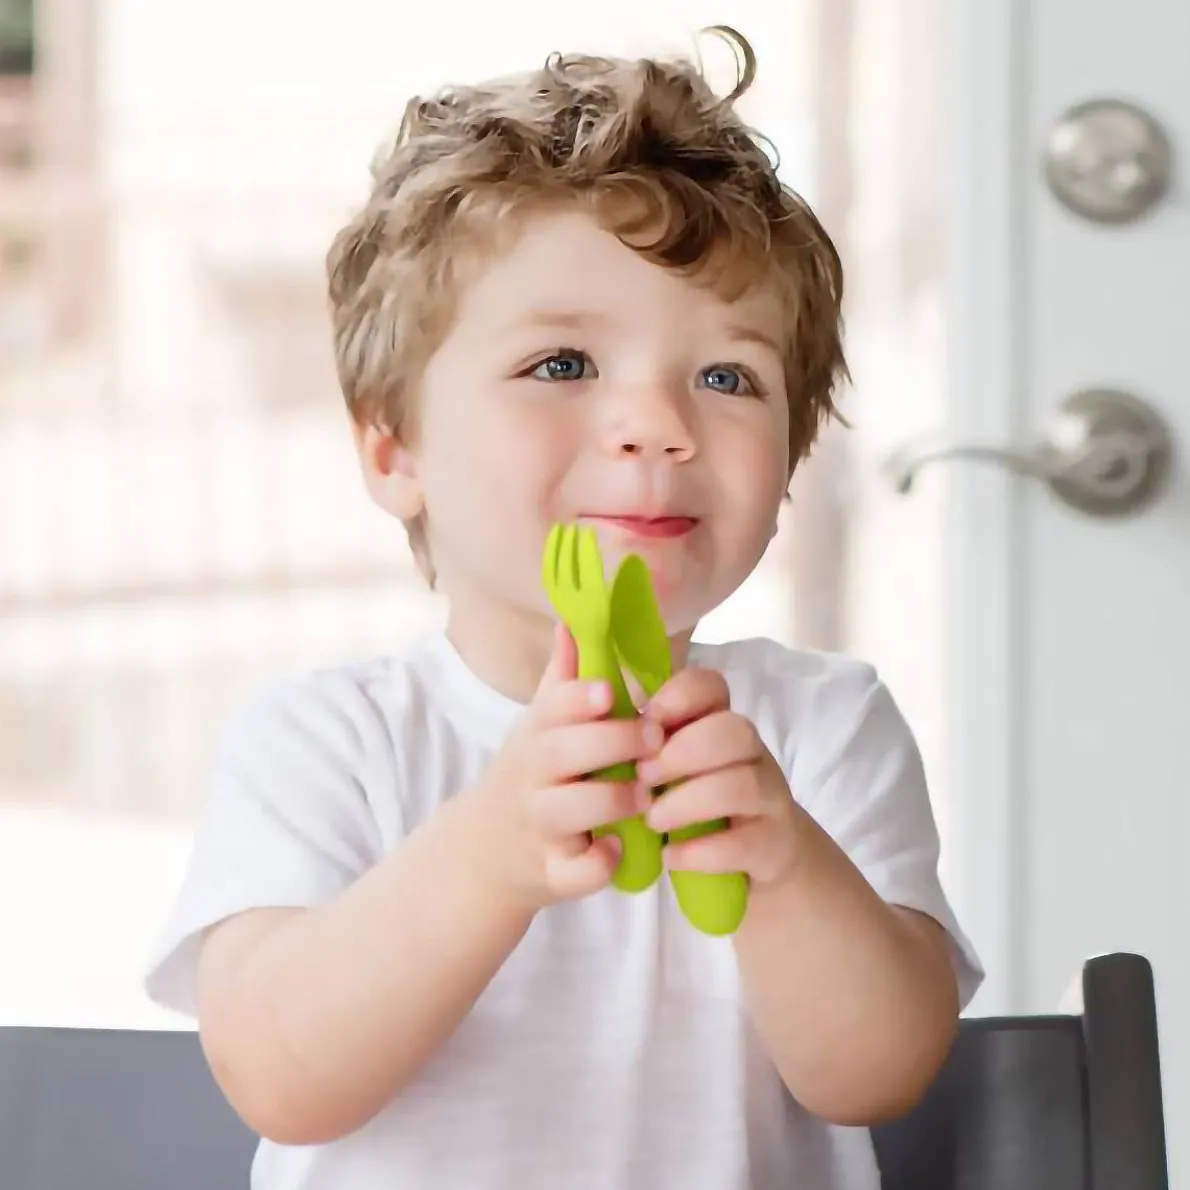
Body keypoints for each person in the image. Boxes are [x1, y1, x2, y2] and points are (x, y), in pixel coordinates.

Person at [145, 28, 981, 1190]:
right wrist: (489, 852)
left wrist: (784, 864)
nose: (658, 425)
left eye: (727, 376)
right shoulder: (325, 742)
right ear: (394, 450)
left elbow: (878, 1075)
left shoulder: (820, 728)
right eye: (562, 364)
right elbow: (279, 1075)